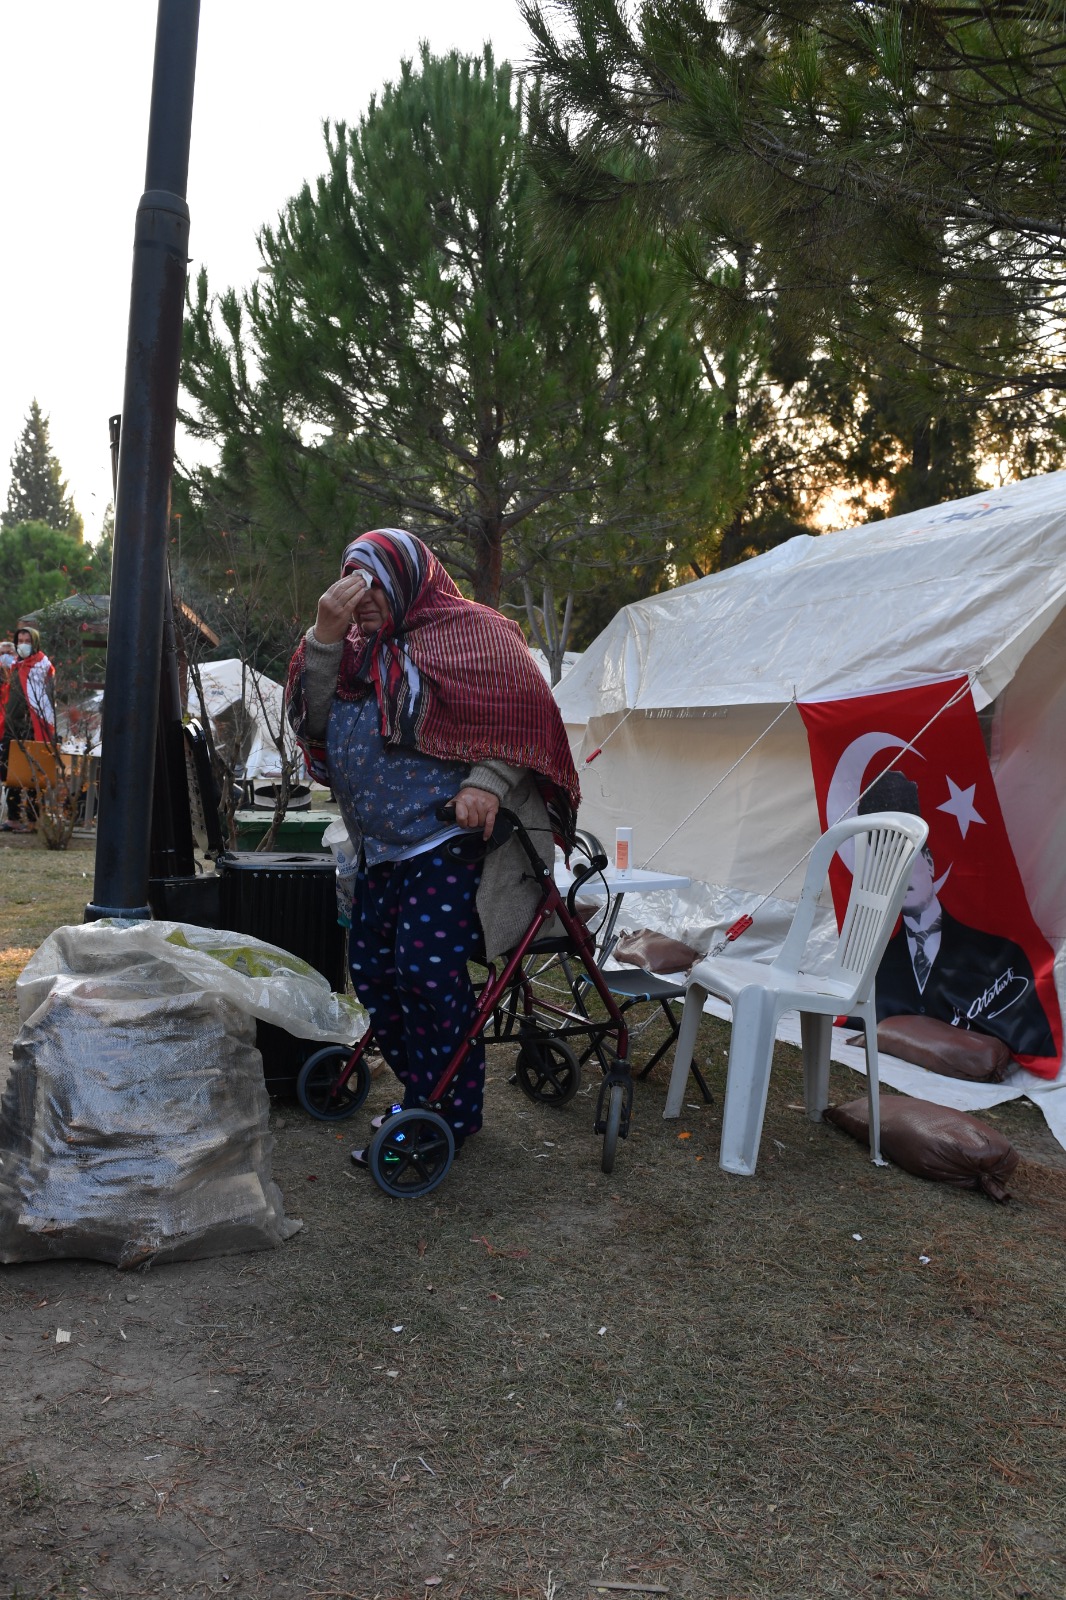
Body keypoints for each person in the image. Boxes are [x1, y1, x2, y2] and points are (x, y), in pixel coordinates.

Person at [286, 528, 580, 1165]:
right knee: (371, 971)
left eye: (372, 582)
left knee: (423, 972)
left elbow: (524, 718)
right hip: (381, 848)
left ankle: (445, 1108)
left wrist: (487, 782)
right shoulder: (352, 650)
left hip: (447, 841)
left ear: (407, 580)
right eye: (349, 578)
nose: (359, 596)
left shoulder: (478, 633)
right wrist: (325, 638)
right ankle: (429, 1088)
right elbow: (312, 723)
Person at [859, 770, 1055, 1059]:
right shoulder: (876, 959)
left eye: (906, 859)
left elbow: (1034, 1037)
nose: (898, 875)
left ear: (929, 863)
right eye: (887, 864)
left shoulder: (999, 951)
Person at [1, 626, 55, 832]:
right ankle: (13, 818)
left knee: (33, 777)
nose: (23, 644)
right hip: (12, 729)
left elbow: (45, 702)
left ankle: (33, 821)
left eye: (27, 640)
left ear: (35, 642)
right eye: (20, 640)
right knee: (11, 775)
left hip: (32, 730)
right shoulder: (18, 665)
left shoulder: (42, 666)